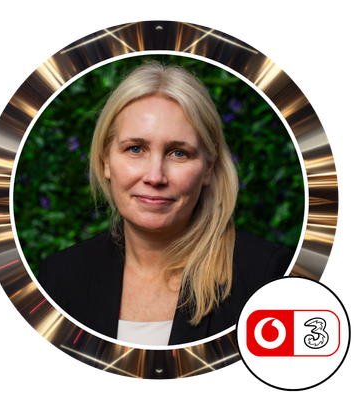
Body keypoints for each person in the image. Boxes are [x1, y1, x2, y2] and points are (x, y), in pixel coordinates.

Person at [38, 61, 294, 346]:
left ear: (208, 167)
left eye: (178, 153)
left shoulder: (269, 276)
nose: (155, 177)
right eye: (135, 149)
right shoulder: (60, 276)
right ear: (106, 160)